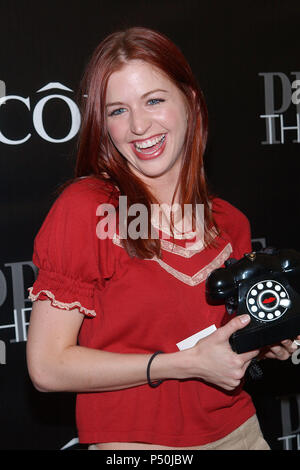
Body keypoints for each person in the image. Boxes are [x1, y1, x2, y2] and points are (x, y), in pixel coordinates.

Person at [26, 27, 298, 450]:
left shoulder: (229, 222)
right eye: (117, 110)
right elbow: (47, 367)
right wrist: (185, 364)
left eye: (154, 100)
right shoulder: (88, 209)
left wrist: (264, 345)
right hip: (137, 447)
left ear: (189, 102)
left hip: (242, 433)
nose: (138, 126)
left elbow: (217, 348)